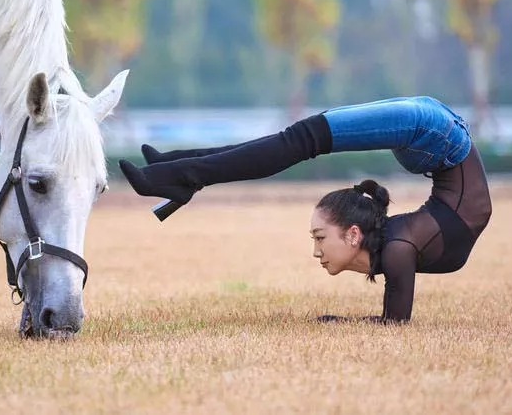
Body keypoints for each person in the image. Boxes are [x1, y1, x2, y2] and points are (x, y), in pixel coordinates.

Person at [119, 96, 492, 323]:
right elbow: (394, 323)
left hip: (434, 132)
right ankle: (178, 172)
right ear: (354, 233)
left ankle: (175, 169)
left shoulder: (399, 246)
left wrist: (339, 320)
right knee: (298, 139)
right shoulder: (398, 248)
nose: (316, 250)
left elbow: (391, 323)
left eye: (318, 238)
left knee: (296, 138)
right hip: (434, 132)